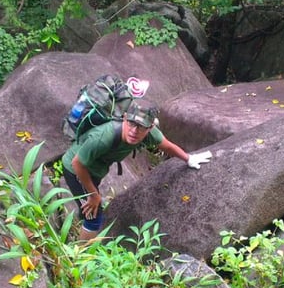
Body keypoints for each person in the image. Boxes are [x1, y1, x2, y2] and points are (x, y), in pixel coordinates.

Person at [62, 98, 212, 241]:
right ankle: (79, 258)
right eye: (132, 123)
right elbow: (77, 164)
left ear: (151, 127)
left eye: (141, 127)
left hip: (95, 169)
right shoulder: (104, 136)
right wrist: (94, 195)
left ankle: (81, 221)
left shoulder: (149, 133)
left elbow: (167, 146)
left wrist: (189, 159)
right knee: (94, 218)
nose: (134, 131)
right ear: (125, 118)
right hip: (76, 169)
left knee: (89, 208)